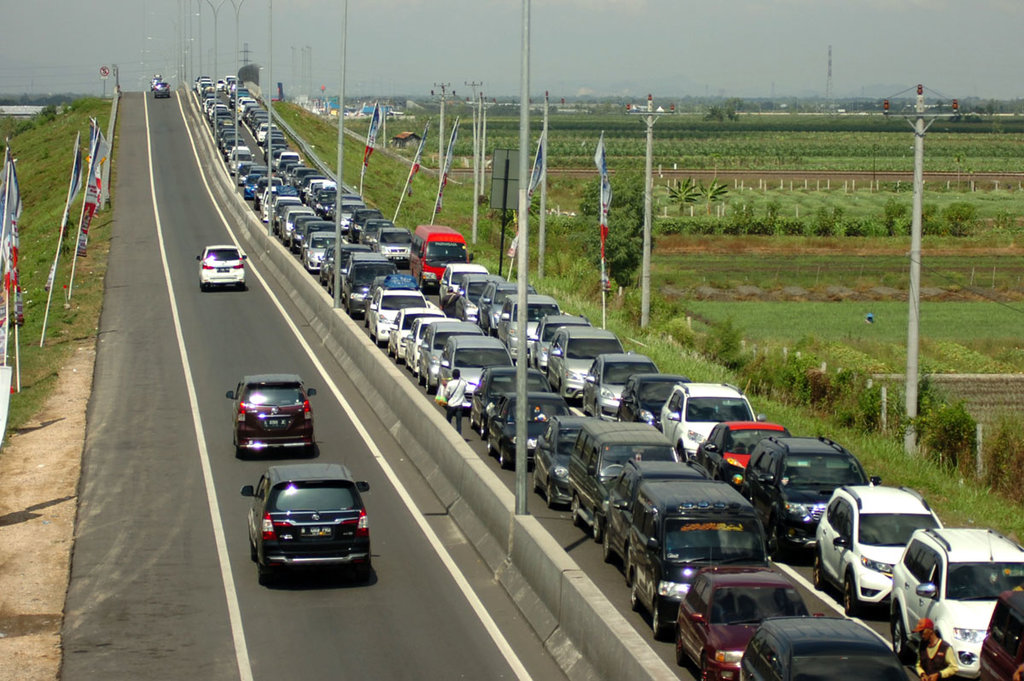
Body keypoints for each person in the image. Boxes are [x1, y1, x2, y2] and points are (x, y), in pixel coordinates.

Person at [443, 368, 468, 435]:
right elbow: (464, 391)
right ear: (459, 375)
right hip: (459, 405)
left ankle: (447, 433)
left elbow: (446, 394)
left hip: (451, 405)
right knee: (459, 421)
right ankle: (459, 434)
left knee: (448, 420)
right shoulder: (463, 383)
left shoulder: (450, 383)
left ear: (452, 375)